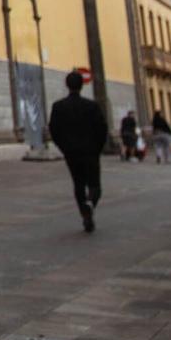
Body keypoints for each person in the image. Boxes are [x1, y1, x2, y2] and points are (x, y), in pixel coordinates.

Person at [49, 70, 108, 231]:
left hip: (71, 153)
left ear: (67, 85)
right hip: (91, 152)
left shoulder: (58, 107)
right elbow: (102, 129)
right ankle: (90, 204)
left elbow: (54, 130)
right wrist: (97, 148)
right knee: (95, 185)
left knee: (78, 183)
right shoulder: (92, 106)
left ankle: (84, 212)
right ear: (82, 86)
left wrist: (65, 148)